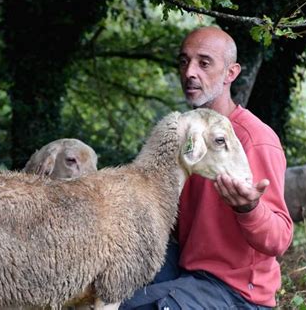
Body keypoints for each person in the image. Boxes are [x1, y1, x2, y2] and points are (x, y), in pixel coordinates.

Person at [120, 26, 293, 309]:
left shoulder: (256, 139)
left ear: (231, 73)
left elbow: (280, 238)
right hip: (185, 267)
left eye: (204, 62)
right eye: (184, 61)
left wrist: (249, 208)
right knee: (108, 296)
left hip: (236, 293)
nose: (189, 72)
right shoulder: (184, 132)